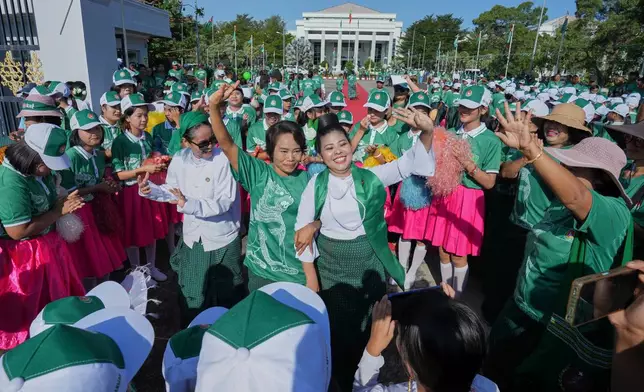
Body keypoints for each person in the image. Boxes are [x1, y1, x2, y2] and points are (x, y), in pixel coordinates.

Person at [485, 102, 633, 391]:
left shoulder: (614, 213)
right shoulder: (556, 204)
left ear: (601, 177)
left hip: (555, 328)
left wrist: (533, 151)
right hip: (521, 306)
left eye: (573, 164)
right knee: (494, 373)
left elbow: (577, 197)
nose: (563, 166)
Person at [294, 110, 436, 389]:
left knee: (369, 325)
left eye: (342, 144)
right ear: (320, 156)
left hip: (368, 264)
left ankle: (366, 377)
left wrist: (427, 133)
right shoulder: (316, 185)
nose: (338, 152)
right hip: (332, 269)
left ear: (351, 145)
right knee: (338, 331)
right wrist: (311, 279)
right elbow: (301, 235)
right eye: (329, 148)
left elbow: (406, 165)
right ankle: (341, 377)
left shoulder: (369, 177)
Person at [139, 111, 244, 326]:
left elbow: (225, 202)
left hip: (221, 236)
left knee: (226, 291)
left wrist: (189, 205)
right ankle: (193, 336)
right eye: (203, 143)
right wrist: (151, 190)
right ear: (186, 142)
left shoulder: (223, 159)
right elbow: (173, 191)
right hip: (194, 236)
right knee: (193, 293)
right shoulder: (180, 159)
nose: (210, 146)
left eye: (213, 139)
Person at [209, 82, 310, 290]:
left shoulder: (308, 180)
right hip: (261, 272)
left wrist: (314, 226)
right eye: (283, 151)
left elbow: (324, 216)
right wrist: (213, 107)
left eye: (296, 151)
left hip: (299, 271)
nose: (290, 158)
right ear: (270, 151)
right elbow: (227, 144)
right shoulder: (258, 173)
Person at [0, 124, 85, 350]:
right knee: (32, 314)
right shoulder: (12, 182)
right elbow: (17, 232)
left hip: (47, 249)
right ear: (33, 159)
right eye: (48, 164)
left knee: (56, 306)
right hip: (24, 260)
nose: (51, 170)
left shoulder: (38, 174)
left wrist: (61, 202)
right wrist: (58, 212)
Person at [425, 86, 502, 297]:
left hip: (468, 199)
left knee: (459, 254)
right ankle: (445, 291)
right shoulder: (451, 134)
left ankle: (456, 296)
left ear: (483, 109)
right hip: (446, 195)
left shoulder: (490, 141)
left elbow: (489, 182)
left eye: (470, 107)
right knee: (442, 250)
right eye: (461, 105)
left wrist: (467, 164)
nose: (463, 110)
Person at [354, 288, 499, 392]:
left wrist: (372, 350)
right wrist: (454, 320)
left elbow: (361, 389)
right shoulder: (489, 387)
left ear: (410, 368)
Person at [59, 110, 125, 290]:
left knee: (103, 256)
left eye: (97, 128)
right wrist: (98, 188)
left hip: (98, 209)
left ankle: (105, 291)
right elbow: (69, 192)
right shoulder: (71, 157)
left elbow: (100, 179)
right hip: (81, 213)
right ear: (75, 132)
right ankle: (90, 295)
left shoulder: (98, 154)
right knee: (88, 259)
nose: (94, 133)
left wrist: (109, 185)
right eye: (88, 130)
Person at [111, 93, 168, 283]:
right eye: (138, 115)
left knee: (151, 230)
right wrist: (144, 168)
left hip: (149, 189)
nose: (144, 119)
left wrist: (158, 159)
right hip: (131, 193)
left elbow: (150, 159)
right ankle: (137, 272)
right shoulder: (120, 142)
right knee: (133, 234)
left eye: (145, 115)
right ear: (127, 118)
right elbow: (118, 175)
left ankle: (151, 267)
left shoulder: (148, 137)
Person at [387, 92, 434, 290]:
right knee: (404, 233)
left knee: (421, 236)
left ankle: (413, 270)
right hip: (404, 192)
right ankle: (402, 268)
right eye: (415, 111)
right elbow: (392, 159)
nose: (419, 116)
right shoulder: (402, 137)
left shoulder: (434, 136)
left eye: (423, 112)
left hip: (426, 192)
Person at [350, 91, 399, 163]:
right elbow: (347, 152)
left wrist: (376, 153)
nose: (372, 114)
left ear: (386, 110)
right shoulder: (359, 126)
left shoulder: (391, 134)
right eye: (370, 109)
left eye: (377, 110)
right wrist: (361, 131)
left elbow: (392, 164)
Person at [246, 95, 283, 161]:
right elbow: (250, 154)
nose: (272, 116)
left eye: (276, 113)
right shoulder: (254, 129)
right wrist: (268, 155)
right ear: (264, 112)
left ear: (281, 113)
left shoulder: (286, 129)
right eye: (269, 113)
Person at [98, 91, 122, 159]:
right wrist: (105, 154)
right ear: (103, 108)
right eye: (114, 107)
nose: (118, 110)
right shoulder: (96, 128)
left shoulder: (124, 125)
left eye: (119, 107)